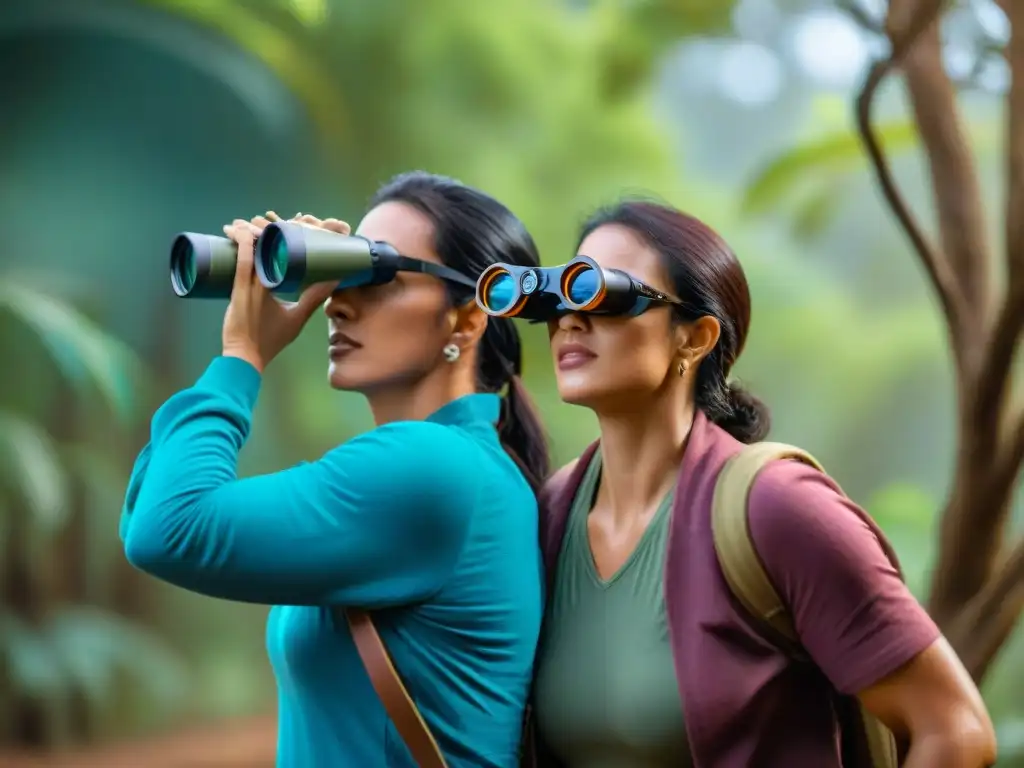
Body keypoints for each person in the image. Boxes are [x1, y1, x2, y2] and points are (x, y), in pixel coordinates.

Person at [519, 200, 996, 767]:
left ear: (694, 338)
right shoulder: (552, 513)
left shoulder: (776, 509)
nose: (570, 320)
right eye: (559, 295)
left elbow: (956, 728)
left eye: (602, 294)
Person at [120, 171, 550, 768]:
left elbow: (168, 529)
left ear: (467, 319)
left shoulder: (434, 467)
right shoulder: (449, 466)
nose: (337, 302)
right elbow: (149, 512)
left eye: (376, 275)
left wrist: (243, 355)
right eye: (338, 272)